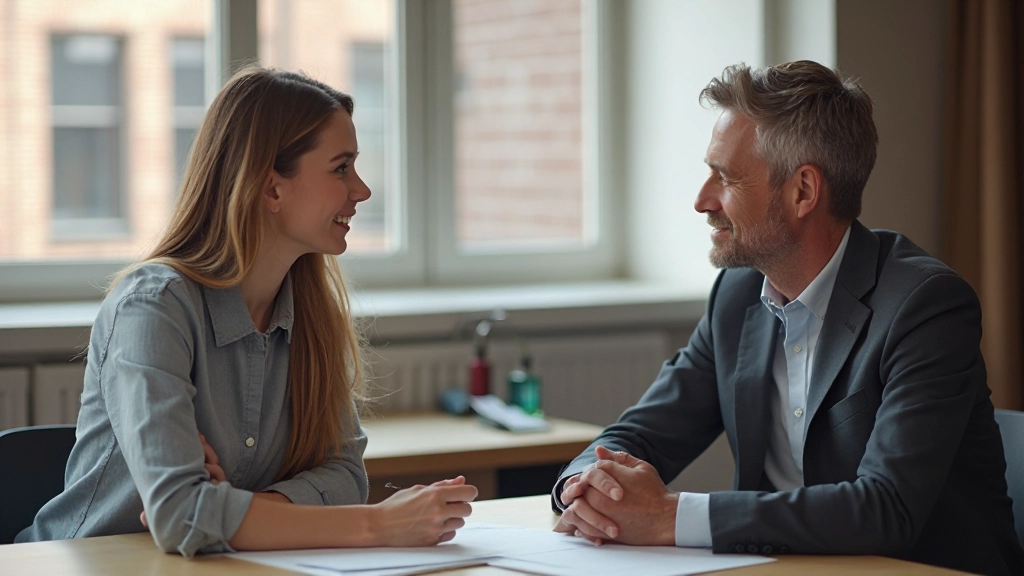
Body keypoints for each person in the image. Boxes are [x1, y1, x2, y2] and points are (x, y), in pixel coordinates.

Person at [551, 60, 1024, 575]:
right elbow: (642, 434)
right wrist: (585, 486)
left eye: (726, 177)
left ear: (803, 191)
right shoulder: (736, 296)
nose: (702, 201)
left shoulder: (925, 306)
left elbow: (886, 507)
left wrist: (669, 516)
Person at [16, 67, 477, 556]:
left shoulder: (312, 313)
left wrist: (234, 512)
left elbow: (345, 475)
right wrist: (378, 524)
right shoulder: (152, 307)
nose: (361, 190)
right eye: (341, 168)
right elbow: (181, 517)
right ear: (271, 188)